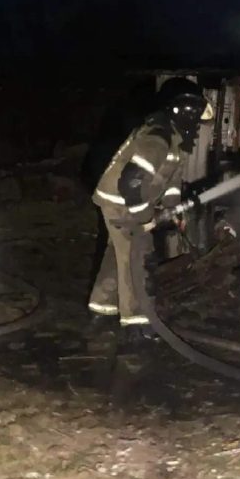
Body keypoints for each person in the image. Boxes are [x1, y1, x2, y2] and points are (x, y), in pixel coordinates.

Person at [88, 79, 214, 343]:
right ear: (185, 111)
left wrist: (172, 209)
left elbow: (171, 180)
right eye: (196, 117)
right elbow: (132, 182)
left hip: (123, 201)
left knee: (117, 253)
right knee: (138, 255)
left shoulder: (175, 141)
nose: (198, 126)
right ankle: (137, 323)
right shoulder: (158, 137)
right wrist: (144, 217)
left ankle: (101, 308)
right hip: (120, 202)